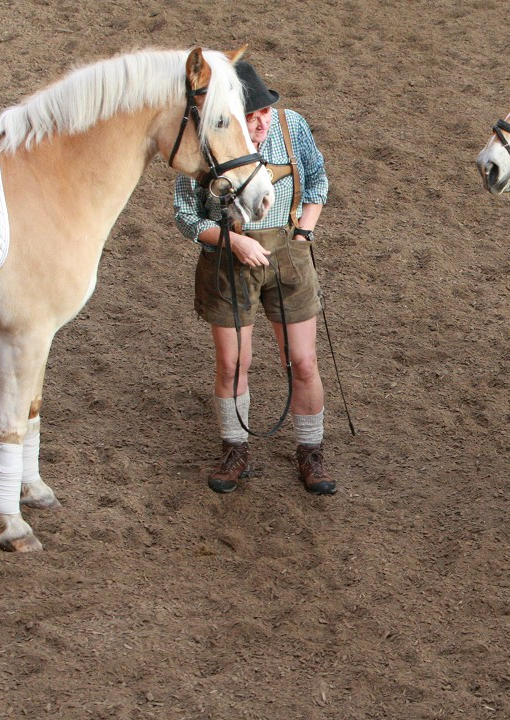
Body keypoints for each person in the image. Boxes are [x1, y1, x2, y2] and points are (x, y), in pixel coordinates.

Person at [174, 61, 336, 496]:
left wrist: (303, 231)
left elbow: (317, 180)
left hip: (290, 257)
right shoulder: (209, 138)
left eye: (264, 112)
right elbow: (186, 216)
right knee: (232, 363)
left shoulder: (292, 125)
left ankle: (310, 451)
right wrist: (232, 241)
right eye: (250, 116)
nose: (261, 122)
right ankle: (234, 448)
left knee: (303, 361)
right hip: (228, 260)